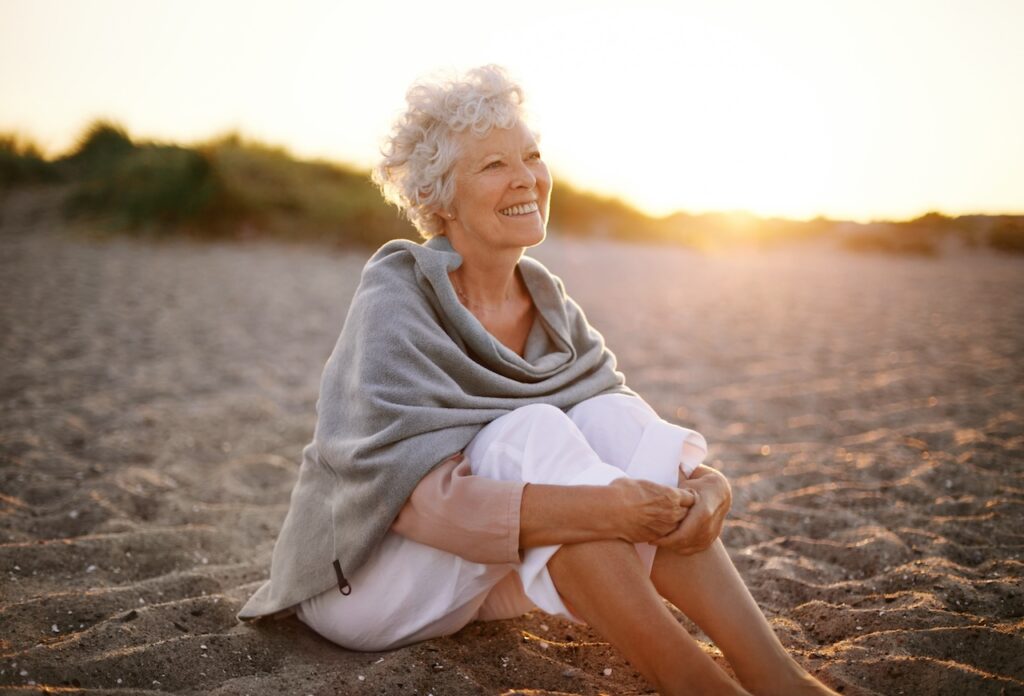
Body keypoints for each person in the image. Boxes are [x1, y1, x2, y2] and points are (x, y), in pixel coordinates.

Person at [239, 65, 836, 696]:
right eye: (494, 165)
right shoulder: (397, 300)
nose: (526, 177)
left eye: (531, 155)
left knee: (606, 415)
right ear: (440, 200)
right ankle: (695, 684)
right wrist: (608, 508)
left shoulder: (549, 303)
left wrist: (708, 490)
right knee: (529, 430)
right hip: (363, 582)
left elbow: (630, 439)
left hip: (480, 577)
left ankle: (778, 678)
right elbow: (419, 506)